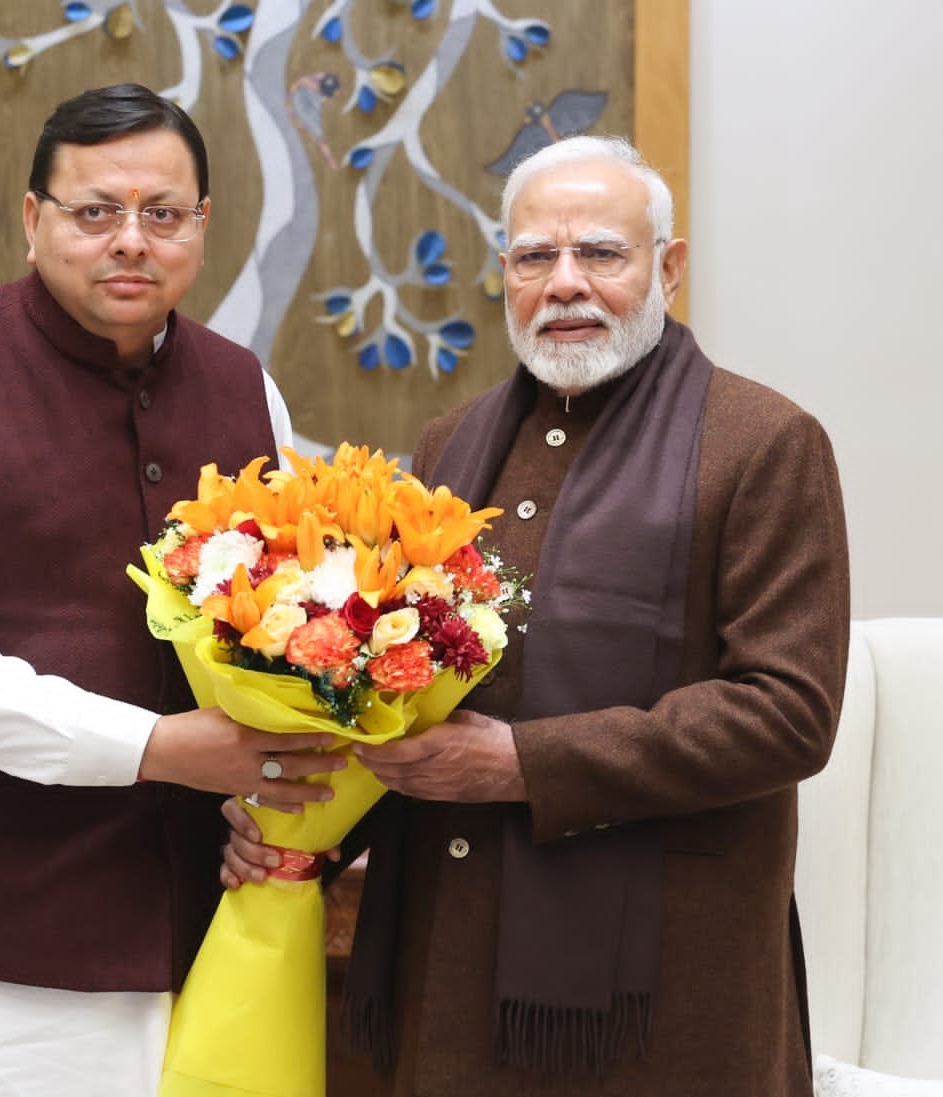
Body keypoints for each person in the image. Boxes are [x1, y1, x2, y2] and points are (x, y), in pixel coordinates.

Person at [222, 134, 851, 1095]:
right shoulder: (452, 442)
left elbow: (788, 712)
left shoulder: (765, 443)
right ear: (504, 274)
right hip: (450, 947)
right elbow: (393, 685)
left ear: (668, 269)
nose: (564, 283)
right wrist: (299, 822)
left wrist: (524, 763)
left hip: (661, 984)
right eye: (534, 257)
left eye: (600, 252)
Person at [0, 83, 343, 1097]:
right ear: (33, 219)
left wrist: (264, 802)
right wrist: (159, 747)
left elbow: (283, 639)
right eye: (96, 210)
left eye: (163, 213)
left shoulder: (248, 390)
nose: (131, 240)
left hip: (210, 938)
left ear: (201, 225)